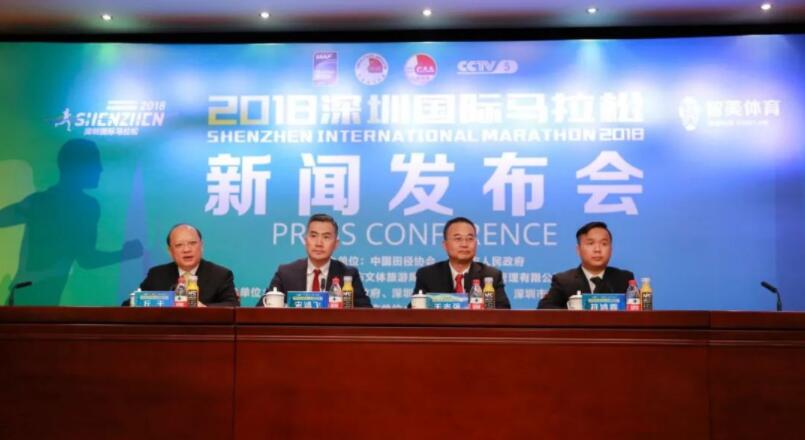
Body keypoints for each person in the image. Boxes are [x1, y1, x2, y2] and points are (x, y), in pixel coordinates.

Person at [0, 139, 142, 305]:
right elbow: (87, 260)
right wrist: (126, 253)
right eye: (95, 162)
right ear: (78, 166)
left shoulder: (38, 201)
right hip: (38, 294)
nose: (100, 169)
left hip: (25, 293)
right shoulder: (85, 206)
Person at [256, 213, 372, 307]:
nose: (319, 243)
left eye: (326, 237)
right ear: (305, 240)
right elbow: (262, 309)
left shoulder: (348, 275)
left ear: (336, 244)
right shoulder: (286, 273)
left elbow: (365, 314)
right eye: (313, 236)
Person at [413, 216, 510, 309]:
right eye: (458, 238)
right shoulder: (427, 275)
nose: (464, 244)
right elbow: (414, 313)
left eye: (470, 239)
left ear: (476, 244)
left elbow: (503, 313)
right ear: (445, 245)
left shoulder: (491, 276)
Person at [136, 224, 239, 306]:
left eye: (192, 243)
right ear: (170, 251)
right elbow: (132, 303)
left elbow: (232, 305)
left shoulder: (220, 275)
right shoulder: (156, 275)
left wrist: (203, 308)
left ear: (201, 245)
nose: (186, 249)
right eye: (179, 245)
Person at [538, 221, 634, 309]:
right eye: (590, 243)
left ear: (611, 250)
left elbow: (636, 310)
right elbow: (545, 309)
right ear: (578, 250)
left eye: (604, 244)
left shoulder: (624, 279)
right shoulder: (563, 281)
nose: (597, 249)